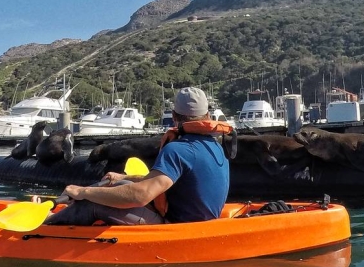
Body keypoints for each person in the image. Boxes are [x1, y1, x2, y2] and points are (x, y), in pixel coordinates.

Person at [45, 86, 231, 226]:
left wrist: (82, 192)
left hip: (175, 227)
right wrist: (125, 177)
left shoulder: (178, 149)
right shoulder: (215, 146)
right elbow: (170, 183)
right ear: (207, 115)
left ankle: (49, 222)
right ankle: (67, 209)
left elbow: (141, 196)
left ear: (174, 116)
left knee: (90, 202)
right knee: (119, 184)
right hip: (201, 222)